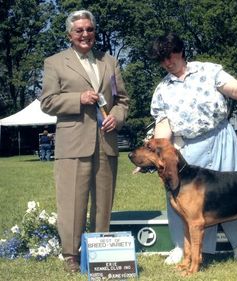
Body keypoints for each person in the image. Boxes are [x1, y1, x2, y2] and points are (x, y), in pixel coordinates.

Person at [150, 33, 237, 265]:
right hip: (188, 147)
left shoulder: (208, 71)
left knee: (233, 190)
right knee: (180, 196)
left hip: (221, 138)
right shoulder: (162, 89)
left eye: (170, 56)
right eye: (162, 59)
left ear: (180, 52)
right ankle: (182, 246)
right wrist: (158, 152)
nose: (167, 63)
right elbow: (163, 124)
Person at [40, 10, 129, 272]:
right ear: (70, 34)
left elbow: (122, 100)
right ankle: (71, 255)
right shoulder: (54, 62)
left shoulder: (109, 62)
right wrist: (78, 99)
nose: (85, 34)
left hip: (106, 141)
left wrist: (116, 117)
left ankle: (99, 253)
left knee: (103, 203)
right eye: (79, 30)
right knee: (72, 201)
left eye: (89, 29)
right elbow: (47, 102)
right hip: (73, 143)